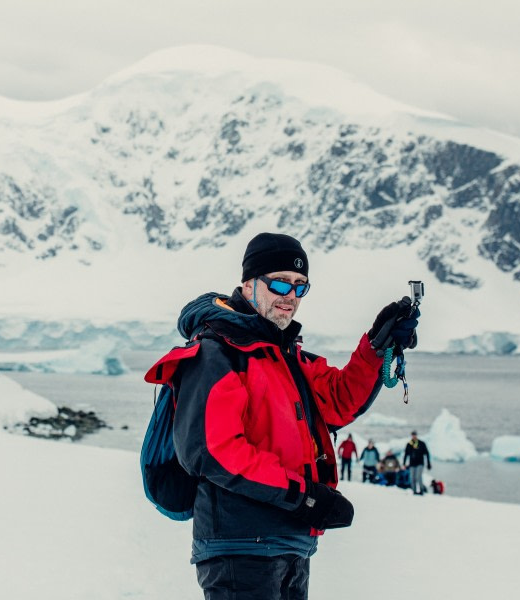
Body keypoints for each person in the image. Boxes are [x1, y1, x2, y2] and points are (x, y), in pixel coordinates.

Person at [166, 232, 420, 599]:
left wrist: (377, 347)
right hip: (241, 546)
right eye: (280, 283)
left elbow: (338, 400)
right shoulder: (216, 351)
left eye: (300, 287)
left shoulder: (287, 356)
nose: (290, 297)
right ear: (249, 284)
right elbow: (213, 450)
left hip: (291, 541)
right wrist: (305, 498)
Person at [403, 430, 432, 495]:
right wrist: (404, 463)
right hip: (412, 463)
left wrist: (428, 463)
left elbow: (426, 453)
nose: (414, 436)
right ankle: (414, 491)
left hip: (420, 463)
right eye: (413, 435)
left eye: (415, 435)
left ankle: (421, 490)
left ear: (416, 435)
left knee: (418, 477)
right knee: (412, 478)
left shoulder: (421, 443)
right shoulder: (409, 444)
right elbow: (406, 454)